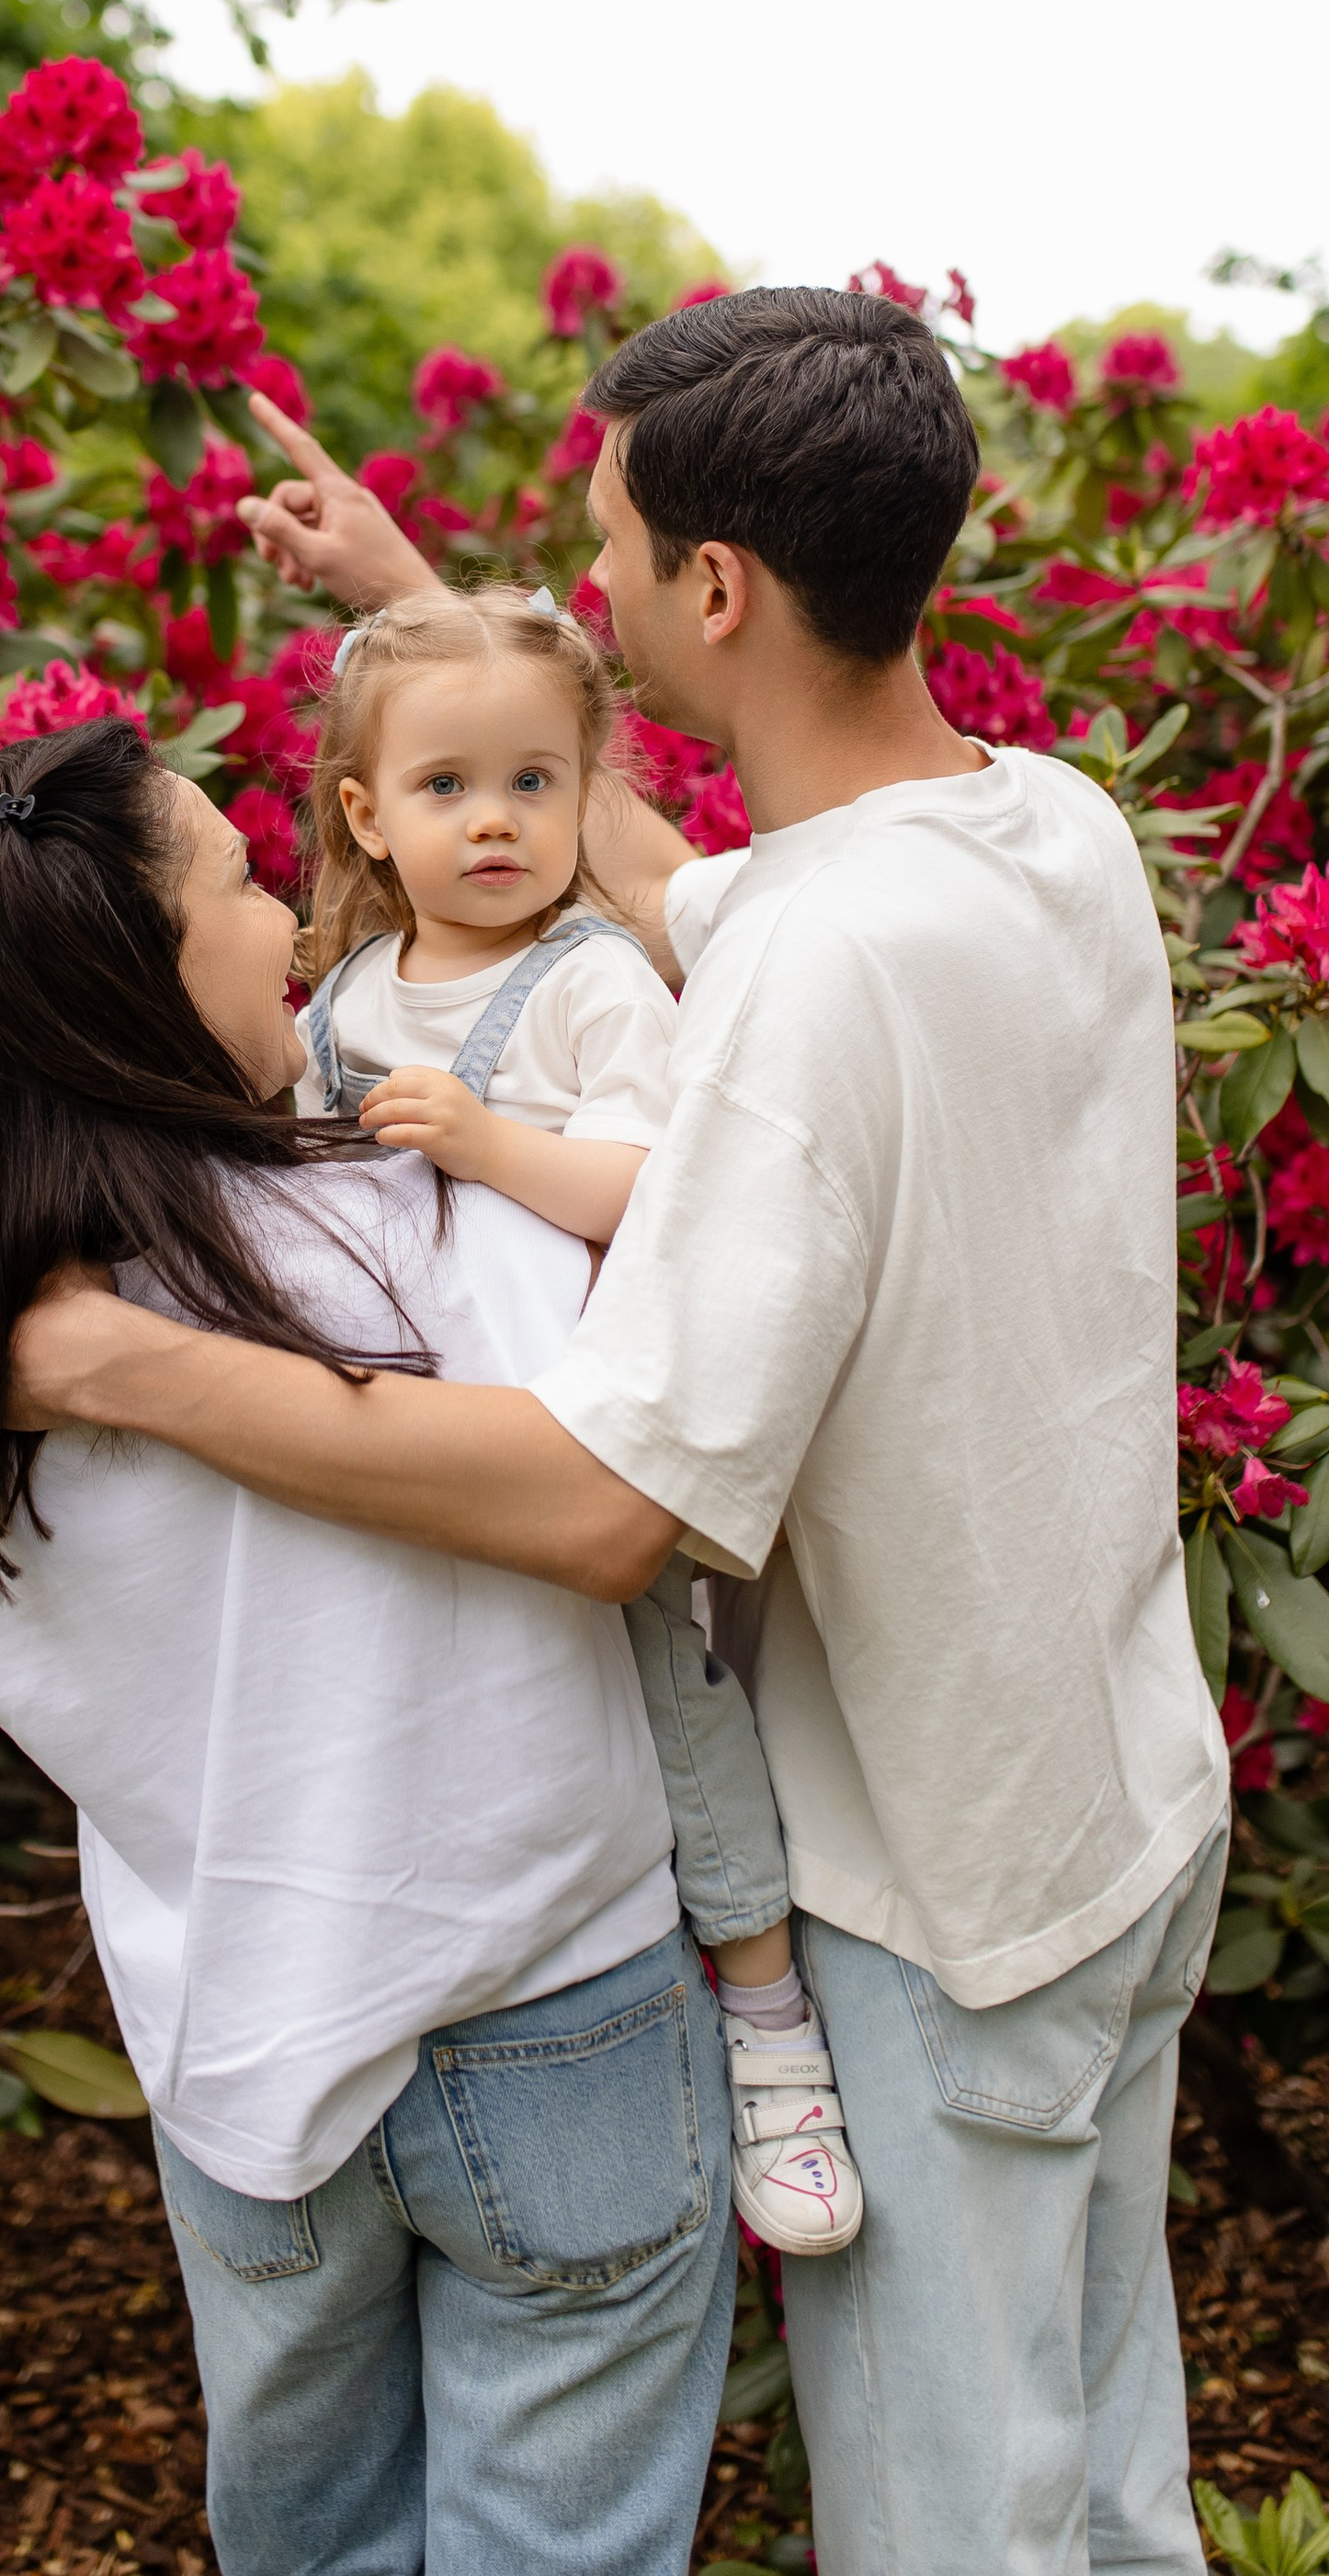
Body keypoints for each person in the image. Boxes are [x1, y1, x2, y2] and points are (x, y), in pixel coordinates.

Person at [8, 289, 1233, 2576]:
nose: (582, 585)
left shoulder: (810, 975)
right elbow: (699, 889)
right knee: (1108, 2501)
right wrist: (411, 605)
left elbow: (607, 1507)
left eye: (600, 551)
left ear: (713, 593)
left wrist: (114, 1366)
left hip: (931, 1888)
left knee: (965, 2542)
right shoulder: (1030, 828)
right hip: (1124, 1791)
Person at [0, 720, 736, 2576]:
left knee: (305, 2546)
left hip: (243, 2048)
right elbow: (622, 1486)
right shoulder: (405, 1231)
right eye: (242, 886)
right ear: (129, 989)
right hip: (546, 2001)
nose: (295, 930)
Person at [298, 577, 863, 2251]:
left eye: (535, 784)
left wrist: (487, 1145)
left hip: (571, 1443)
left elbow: (655, 1184)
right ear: (366, 816)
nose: (494, 822)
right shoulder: (339, 992)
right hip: (403, 1457)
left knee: (669, 1710)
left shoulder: (590, 984)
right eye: (447, 788)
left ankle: (771, 2035)